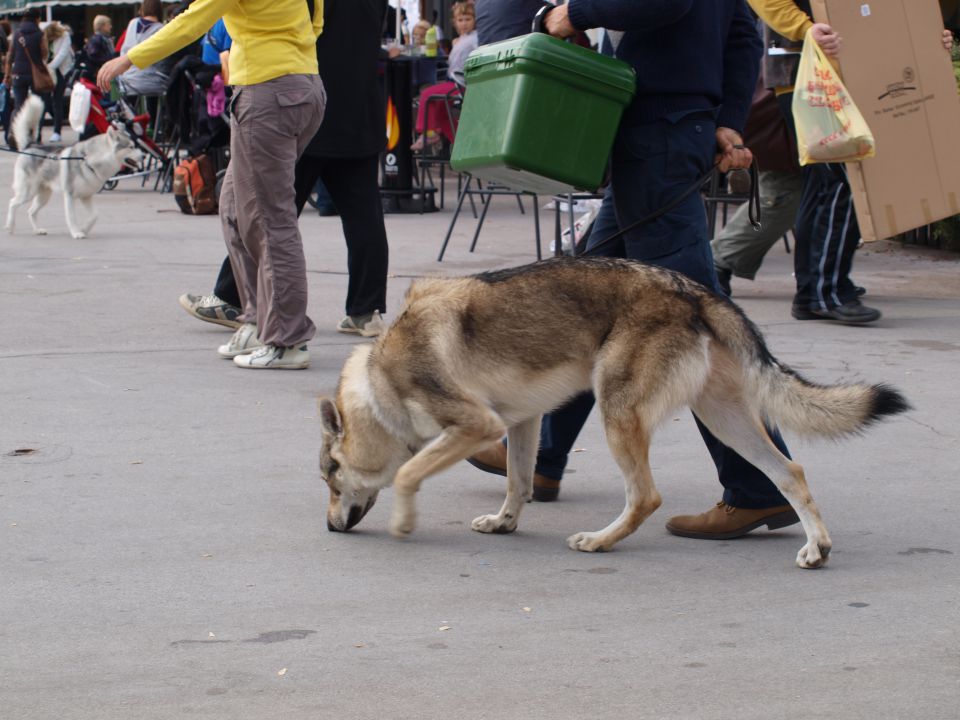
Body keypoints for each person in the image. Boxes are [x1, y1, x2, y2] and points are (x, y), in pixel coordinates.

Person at [469, 0, 805, 543]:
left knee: (694, 316)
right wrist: (725, 121)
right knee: (583, 301)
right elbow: (742, 29)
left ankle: (757, 489)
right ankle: (541, 458)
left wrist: (571, 14)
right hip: (663, 127)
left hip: (659, 131)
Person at [98, 0, 326, 371]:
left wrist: (129, 58)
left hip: (268, 92)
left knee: (269, 220)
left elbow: (191, 22)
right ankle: (258, 321)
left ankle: (287, 339)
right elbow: (315, 22)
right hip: (299, 86)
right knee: (236, 208)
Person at [180, 0, 390, 339]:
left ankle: (232, 299)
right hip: (360, 110)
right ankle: (366, 311)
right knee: (363, 215)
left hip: (304, 104)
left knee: (263, 213)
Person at [711, 75, 803, 296]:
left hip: (790, 95)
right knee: (782, 192)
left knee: (789, 191)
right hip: (784, 97)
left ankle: (825, 276)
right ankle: (717, 260)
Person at [410, 1, 477, 151]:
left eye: (468, 19)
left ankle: (427, 133)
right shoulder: (459, 40)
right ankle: (464, 144)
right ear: (455, 22)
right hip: (453, 81)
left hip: (461, 83)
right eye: (460, 20)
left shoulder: (475, 38)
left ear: (475, 20)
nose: (464, 23)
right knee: (442, 116)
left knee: (427, 94)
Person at [3, 9, 50, 141]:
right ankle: (36, 135)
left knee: (19, 105)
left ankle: (14, 134)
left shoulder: (17, 33)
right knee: (37, 105)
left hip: (18, 73)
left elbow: (10, 56)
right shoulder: (40, 34)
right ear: (37, 19)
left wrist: (7, 75)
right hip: (36, 75)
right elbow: (44, 53)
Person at [42, 21, 74, 143]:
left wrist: (50, 66)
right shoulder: (45, 36)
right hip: (48, 71)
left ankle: (57, 131)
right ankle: (58, 120)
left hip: (60, 71)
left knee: (57, 100)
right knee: (46, 100)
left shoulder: (65, 36)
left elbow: (62, 54)